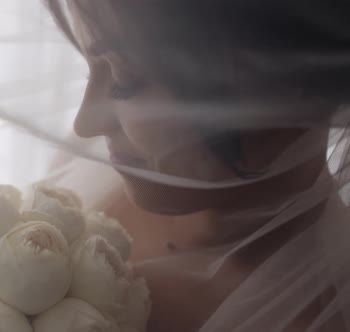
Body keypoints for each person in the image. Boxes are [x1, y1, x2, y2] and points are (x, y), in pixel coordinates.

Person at [44, 0, 350, 331]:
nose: (84, 124)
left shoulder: (314, 321)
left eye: (124, 81)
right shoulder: (88, 166)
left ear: (290, 84)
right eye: (90, 69)